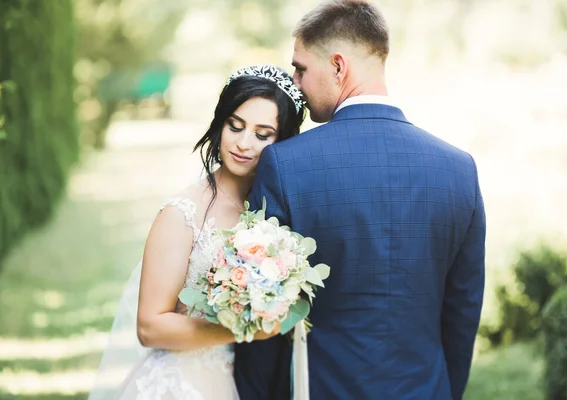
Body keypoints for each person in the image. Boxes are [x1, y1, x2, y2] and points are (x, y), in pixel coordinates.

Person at [234, 1, 486, 399]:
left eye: (300, 69)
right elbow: (462, 311)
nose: (294, 83)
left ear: (338, 66)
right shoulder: (459, 171)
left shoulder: (285, 164)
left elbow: (264, 306)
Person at [88, 64, 305, 400]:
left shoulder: (274, 215)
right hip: (183, 384)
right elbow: (149, 326)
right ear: (220, 125)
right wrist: (244, 327)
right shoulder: (181, 214)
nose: (244, 143)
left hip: (246, 383)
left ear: (283, 140)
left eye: (262, 134)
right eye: (235, 126)